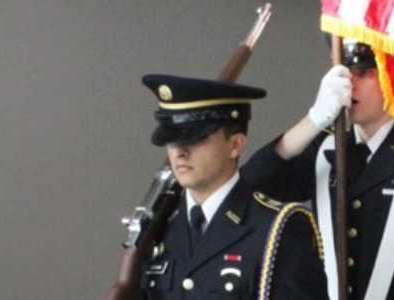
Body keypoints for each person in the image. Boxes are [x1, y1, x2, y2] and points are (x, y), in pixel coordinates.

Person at [242, 39, 394, 299]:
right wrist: (314, 119)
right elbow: (251, 187)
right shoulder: (325, 146)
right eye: (342, 72)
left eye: (364, 73)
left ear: (392, 77)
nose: (349, 84)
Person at [138, 74, 327, 300]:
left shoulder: (279, 229)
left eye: (196, 139)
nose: (180, 151)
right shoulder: (157, 226)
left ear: (235, 145)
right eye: (172, 140)